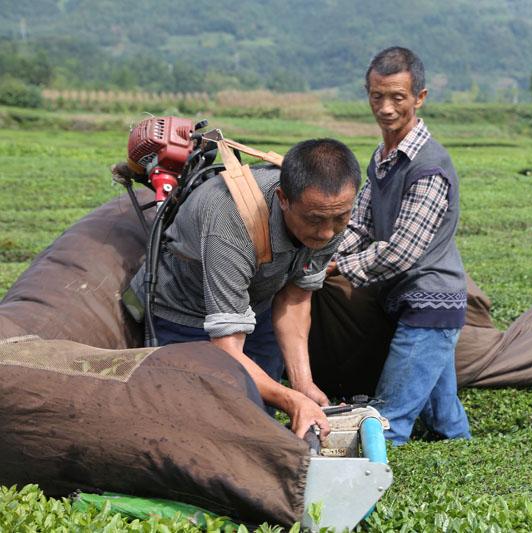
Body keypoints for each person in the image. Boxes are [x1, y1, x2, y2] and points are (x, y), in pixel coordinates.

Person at [129, 138, 360, 438]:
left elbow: (296, 295)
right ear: (283, 199)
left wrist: (302, 385)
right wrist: (292, 400)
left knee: (257, 417)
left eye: (340, 218)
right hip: (187, 315)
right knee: (194, 425)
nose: (328, 232)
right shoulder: (231, 220)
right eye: (315, 220)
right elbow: (227, 348)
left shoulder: (327, 213)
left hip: (255, 306)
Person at [330, 47, 471, 444]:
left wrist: (340, 269)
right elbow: (359, 223)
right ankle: (477, 485)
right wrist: (323, 254)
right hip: (411, 303)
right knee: (445, 421)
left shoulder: (429, 166)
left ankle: (385, 500)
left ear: (419, 97)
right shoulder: (382, 157)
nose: (386, 108)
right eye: (377, 96)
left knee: (389, 423)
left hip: (430, 305)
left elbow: (402, 251)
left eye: (398, 97)